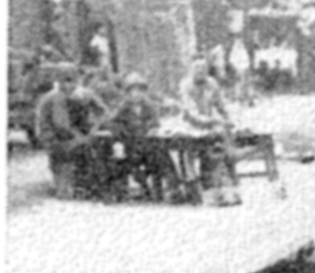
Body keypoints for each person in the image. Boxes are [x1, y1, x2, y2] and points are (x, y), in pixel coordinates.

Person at [34, 64, 103, 199]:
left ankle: (84, 183)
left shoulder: (84, 94)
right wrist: (82, 138)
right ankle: (69, 184)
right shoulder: (55, 97)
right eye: (64, 80)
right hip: (55, 138)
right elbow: (61, 125)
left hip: (73, 135)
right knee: (70, 153)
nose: (68, 85)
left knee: (95, 147)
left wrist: (95, 129)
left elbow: (103, 112)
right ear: (58, 81)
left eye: (71, 80)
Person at [105, 72, 173, 200]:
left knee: (161, 156)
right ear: (128, 93)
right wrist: (122, 132)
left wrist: (152, 128)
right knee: (122, 160)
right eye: (133, 91)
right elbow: (112, 122)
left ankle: (165, 189)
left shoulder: (149, 106)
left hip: (147, 145)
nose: (136, 94)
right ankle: (140, 187)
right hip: (130, 145)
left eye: (140, 90)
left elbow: (155, 122)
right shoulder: (123, 107)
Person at [179, 58, 238, 206]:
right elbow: (191, 112)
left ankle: (227, 185)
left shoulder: (211, 83)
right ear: (191, 69)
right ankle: (200, 187)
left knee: (223, 143)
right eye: (197, 67)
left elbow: (220, 104)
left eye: (203, 67)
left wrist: (227, 118)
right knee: (197, 150)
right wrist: (214, 121)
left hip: (209, 124)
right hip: (191, 125)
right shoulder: (186, 86)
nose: (200, 71)